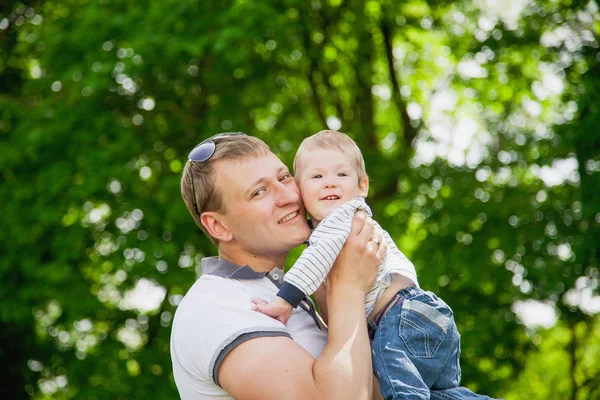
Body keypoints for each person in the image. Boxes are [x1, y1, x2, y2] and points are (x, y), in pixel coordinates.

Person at [253, 130, 495, 400]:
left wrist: (284, 301)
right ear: (300, 190)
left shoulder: (342, 217)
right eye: (317, 176)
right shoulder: (335, 224)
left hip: (400, 317)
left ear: (362, 187)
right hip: (425, 314)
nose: (330, 183)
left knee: (403, 394)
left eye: (341, 175)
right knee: (442, 394)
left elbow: (314, 260)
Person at [170, 132, 386, 400]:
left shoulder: (285, 295)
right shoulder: (216, 306)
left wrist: (331, 300)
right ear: (219, 226)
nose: (288, 196)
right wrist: (348, 289)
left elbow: (371, 392)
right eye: (259, 192)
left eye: (284, 178)